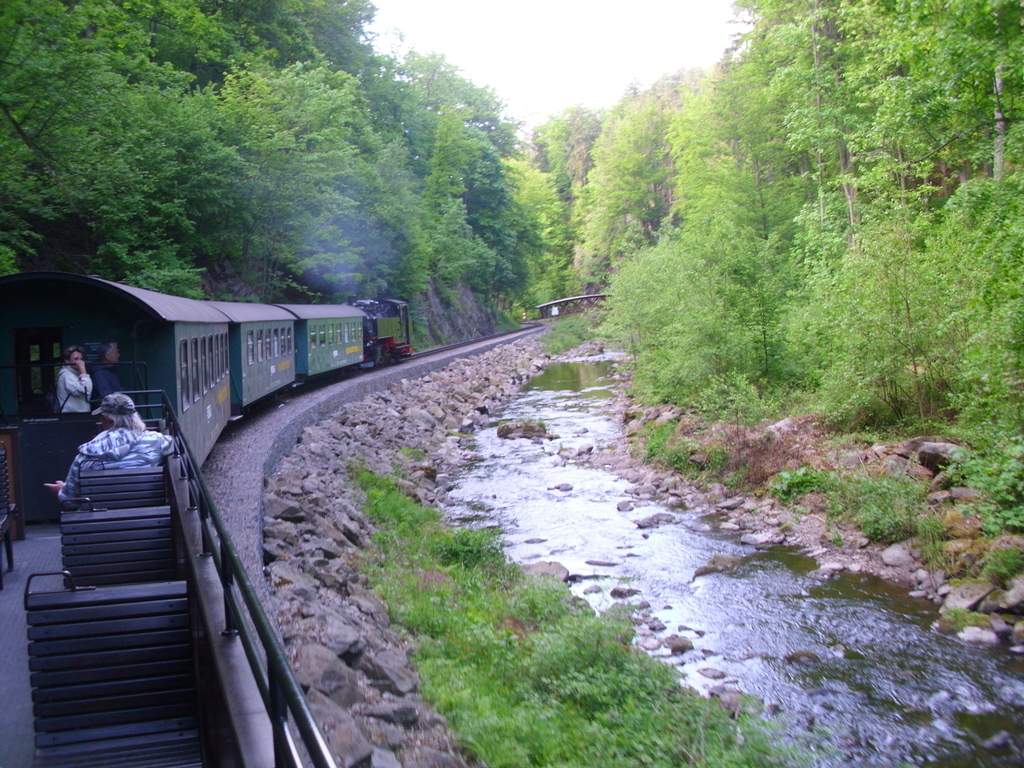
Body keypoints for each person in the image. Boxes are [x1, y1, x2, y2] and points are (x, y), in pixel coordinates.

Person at [44, 393, 174, 504]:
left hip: (101, 526)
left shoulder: (86, 455)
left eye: (100, 417)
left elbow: (70, 502)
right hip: (151, 519)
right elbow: (177, 447)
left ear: (108, 419)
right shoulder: (157, 441)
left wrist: (61, 490)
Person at [55, 345, 93, 412]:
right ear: (67, 361)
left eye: (81, 359)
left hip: (78, 415)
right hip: (72, 416)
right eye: (76, 359)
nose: (80, 362)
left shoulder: (75, 374)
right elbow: (86, 390)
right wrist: (83, 371)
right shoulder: (67, 376)